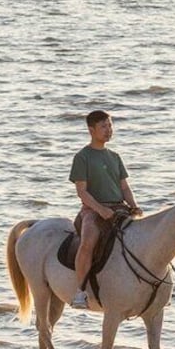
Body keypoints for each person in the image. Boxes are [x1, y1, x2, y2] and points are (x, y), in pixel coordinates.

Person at [68, 110, 143, 309]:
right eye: (104, 126)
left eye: (110, 125)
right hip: (92, 210)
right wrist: (100, 210)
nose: (108, 130)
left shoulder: (115, 157)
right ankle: (80, 292)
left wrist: (134, 206)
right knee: (88, 242)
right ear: (91, 130)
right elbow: (82, 192)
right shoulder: (82, 157)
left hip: (119, 208)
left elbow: (124, 187)